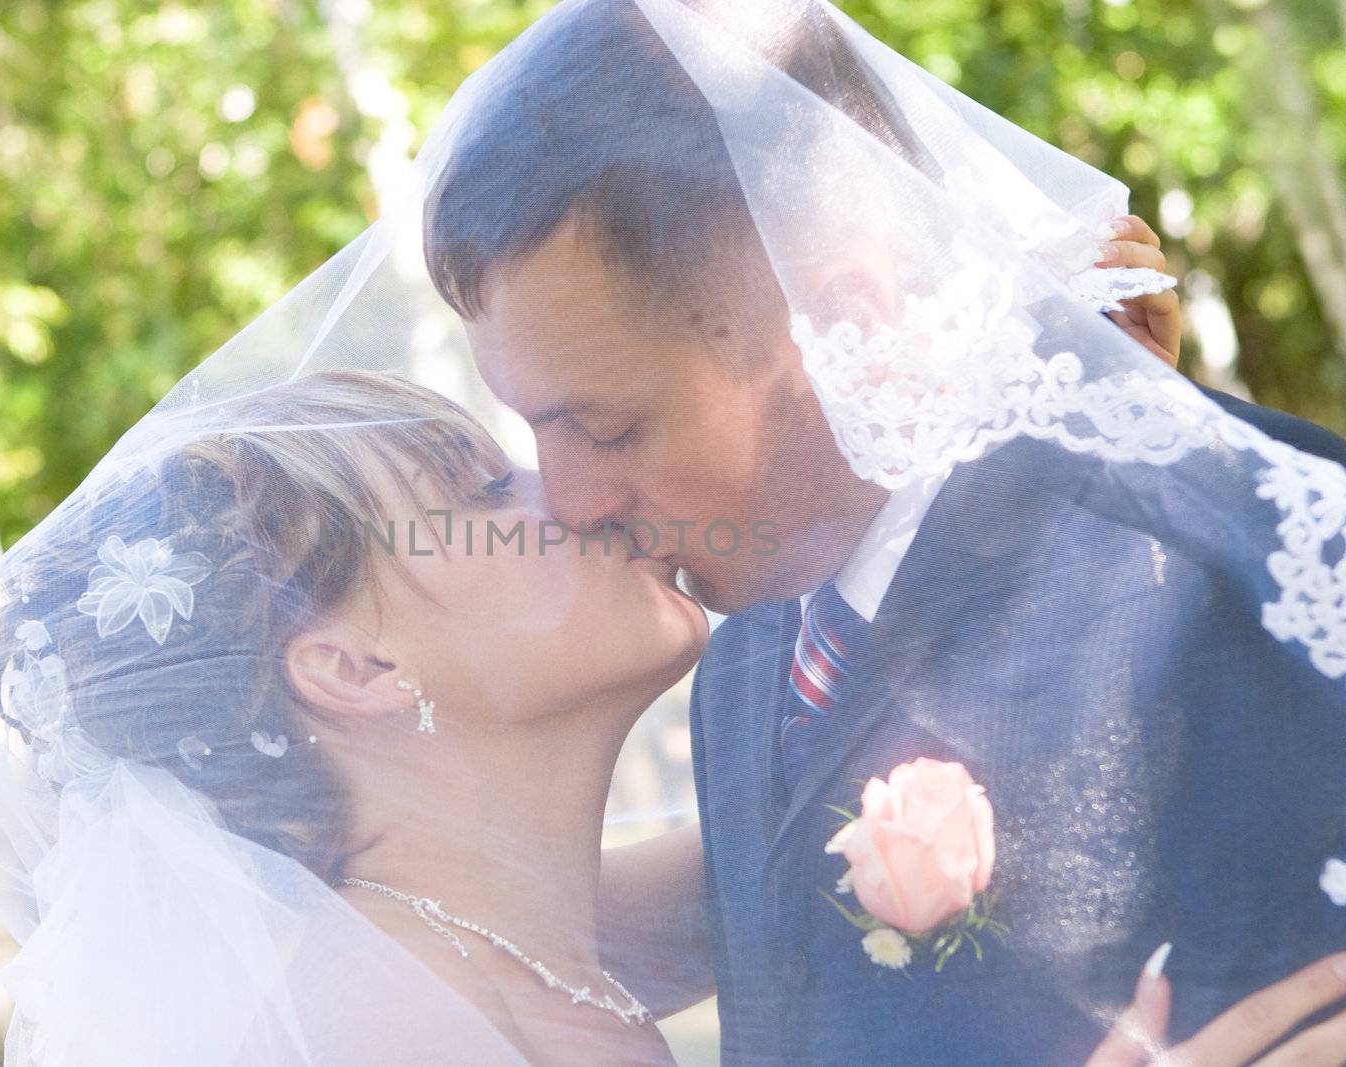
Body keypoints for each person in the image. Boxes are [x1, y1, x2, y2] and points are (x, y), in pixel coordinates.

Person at [421, 0, 1346, 1063]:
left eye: (605, 424)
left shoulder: (1236, 559)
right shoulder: (747, 657)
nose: (571, 499)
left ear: (844, 323)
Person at [0, 370, 708, 1064]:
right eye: (488, 494)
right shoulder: (385, 1027)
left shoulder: (523, 948)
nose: (576, 491)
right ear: (356, 667)